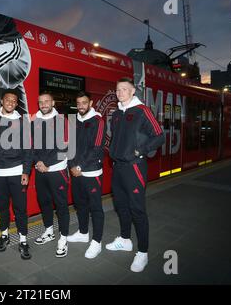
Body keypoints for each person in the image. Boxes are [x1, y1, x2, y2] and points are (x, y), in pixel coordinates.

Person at [106, 77, 165, 273]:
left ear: (133, 92)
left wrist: (139, 151)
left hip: (134, 167)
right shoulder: (116, 114)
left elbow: (159, 136)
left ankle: (143, 252)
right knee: (121, 206)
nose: (120, 92)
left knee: (137, 210)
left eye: (124, 89)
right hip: (118, 167)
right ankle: (124, 240)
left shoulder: (142, 111)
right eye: (117, 89)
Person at [0, 90, 33, 260]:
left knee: (20, 208)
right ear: (2, 101)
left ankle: (23, 240)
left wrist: (26, 171)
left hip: (17, 172)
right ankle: (4, 235)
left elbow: (28, 150)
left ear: (16, 103)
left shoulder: (23, 122)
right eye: (8, 100)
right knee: (2, 207)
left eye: (14, 100)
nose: (11, 103)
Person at [67, 92, 107, 259]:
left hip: (91, 172)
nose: (81, 106)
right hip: (76, 172)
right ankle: (83, 233)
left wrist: (79, 166)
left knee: (96, 207)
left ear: (90, 103)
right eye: (78, 103)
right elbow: (69, 145)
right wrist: (71, 166)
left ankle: (97, 242)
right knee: (80, 204)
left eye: (84, 103)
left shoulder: (98, 121)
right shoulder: (73, 120)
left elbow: (97, 147)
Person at [32, 91, 70, 258]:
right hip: (40, 170)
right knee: (44, 202)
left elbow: (66, 147)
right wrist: (38, 162)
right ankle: (49, 231)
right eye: (41, 102)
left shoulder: (63, 120)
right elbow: (30, 145)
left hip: (57, 170)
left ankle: (64, 238)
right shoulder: (34, 120)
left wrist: (47, 163)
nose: (44, 104)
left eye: (47, 101)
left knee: (61, 205)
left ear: (53, 102)